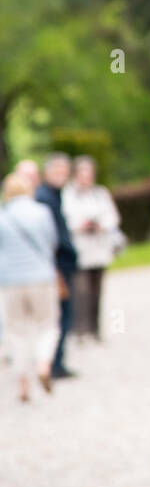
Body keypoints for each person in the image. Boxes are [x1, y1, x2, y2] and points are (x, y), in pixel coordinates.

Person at [0, 170, 59, 402]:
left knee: (16, 332)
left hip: (11, 281)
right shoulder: (41, 212)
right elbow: (51, 242)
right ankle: (43, 364)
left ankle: (22, 382)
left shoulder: (2, 216)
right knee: (47, 325)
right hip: (41, 277)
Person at [62, 156, 122, 342]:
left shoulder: (100, 193)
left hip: (99, 248)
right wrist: (82, 225)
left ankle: (95, 330)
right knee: (80, 292)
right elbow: (65, 220)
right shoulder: (68, 195)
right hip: (79, 250)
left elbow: (113, 217)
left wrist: (100, 225)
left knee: (97, 292)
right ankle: (80, 331)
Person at [35, 153, 79, 379]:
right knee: (59, 316)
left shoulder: (54, 196)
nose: (62, 175)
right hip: (56, 267)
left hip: (59, 264)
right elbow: (50, 238)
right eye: (57, 171)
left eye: (65, 171)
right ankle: (53, 363)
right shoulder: (46, 198)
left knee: (61, 316)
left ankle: (56, 362)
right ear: (47, 172)